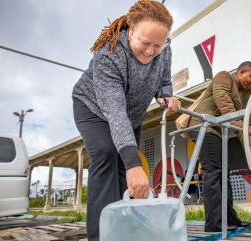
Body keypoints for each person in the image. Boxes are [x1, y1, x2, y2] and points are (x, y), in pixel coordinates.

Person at [72, 1, 180, 240]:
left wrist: (166, 93)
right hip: (93, 108)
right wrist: (134, 164)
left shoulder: (165, 48)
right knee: (108, 154)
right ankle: (100, 235)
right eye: (145, 43)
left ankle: (122, 230)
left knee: (125, 171)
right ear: (131, 30)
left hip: (132, 114)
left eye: (157, 45)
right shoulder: (109, 55)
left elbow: (163, 78)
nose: (151, 51)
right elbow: (115, 111)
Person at [189, 61, 251, 232]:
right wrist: (241, 125)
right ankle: (215, 223)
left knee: (224, 174)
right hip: (203, 127)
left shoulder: (239, 93)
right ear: (241, 71)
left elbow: (236, 124)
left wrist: (250, 151)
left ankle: (230, 219)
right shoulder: (224, 76)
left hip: (216, 131)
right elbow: (222, 99)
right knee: (213, 173)